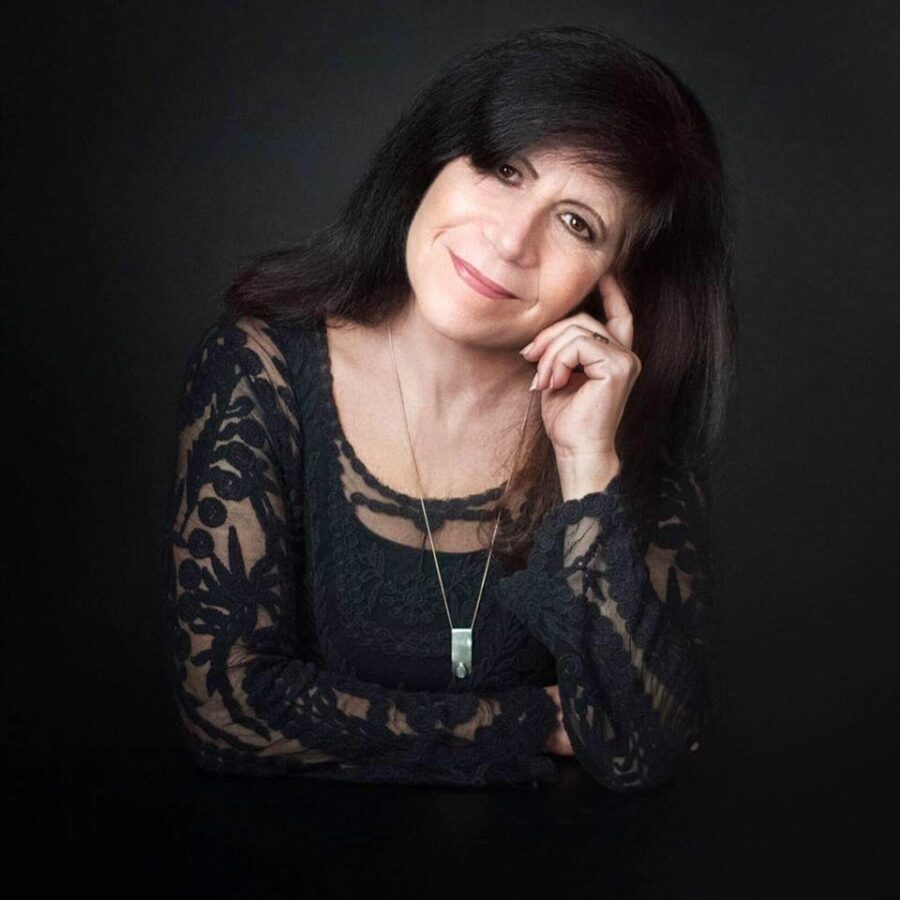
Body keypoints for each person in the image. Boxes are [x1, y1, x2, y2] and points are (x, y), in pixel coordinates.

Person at [160, 24, 738, 791]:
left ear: (616, 285)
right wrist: (530, 721)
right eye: (504, 169)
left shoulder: (618, 431)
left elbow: (642, 749)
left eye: (577, 223)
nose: (509, 242)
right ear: (433, 159)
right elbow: (224, 711)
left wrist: (587, 464)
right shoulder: (259, 369)